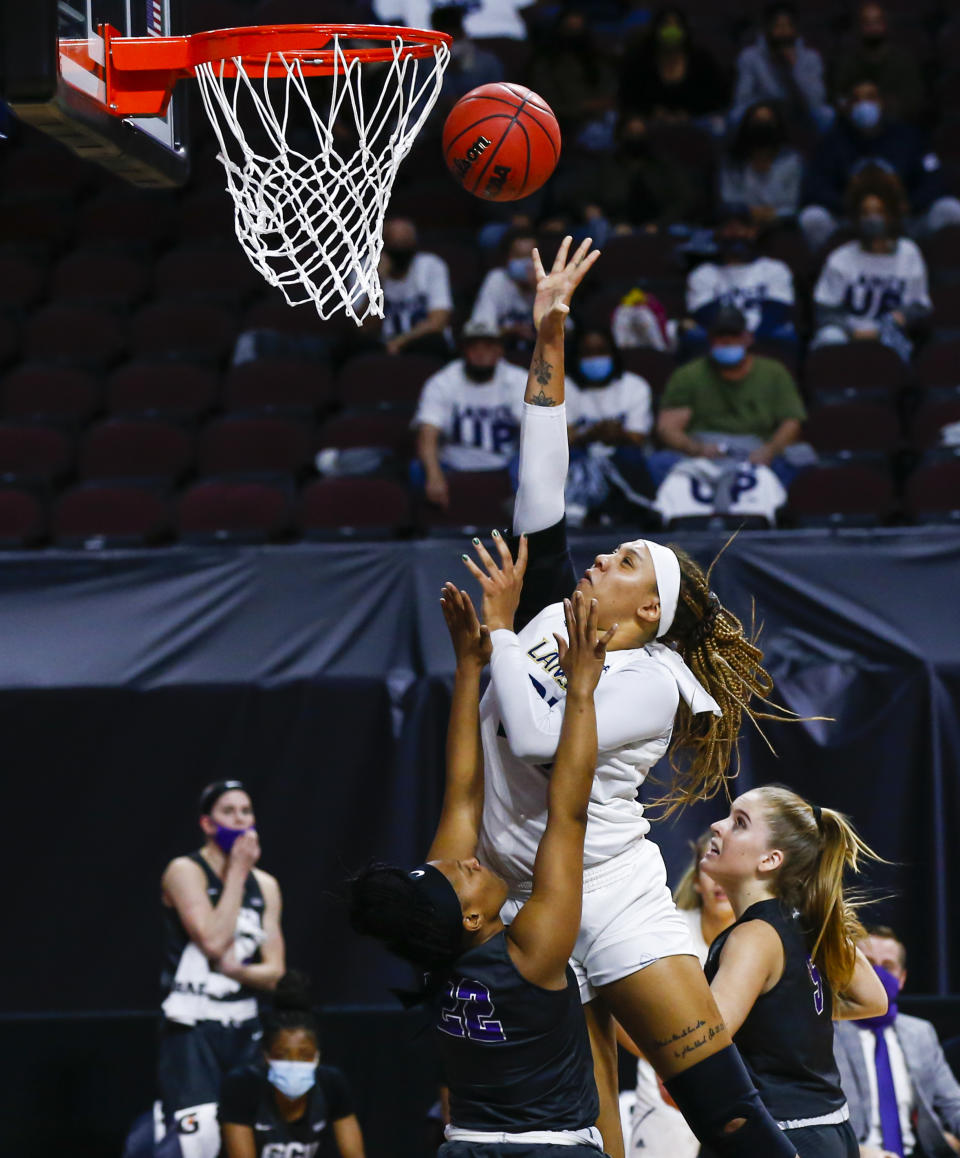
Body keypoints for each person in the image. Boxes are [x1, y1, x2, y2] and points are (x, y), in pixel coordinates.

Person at [459, 236, 801, 1158]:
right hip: (521, 903)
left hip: (608, 898)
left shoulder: (656, 681)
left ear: (649, 608)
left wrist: (493, 637)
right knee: (585, 1129)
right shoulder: (540, 617)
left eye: (621, 562)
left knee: (724, 1116)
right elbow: (543, 479)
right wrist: (550, 340)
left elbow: (538, 743)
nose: (599, 558)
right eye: (602, 554)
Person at [349, 578, 619, 1155]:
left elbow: (463, 795)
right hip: (548, 1148)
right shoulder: (532, 955)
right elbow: (567, 814)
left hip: (466, 1144)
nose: (469, 861)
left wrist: (470, 667)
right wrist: (582, 692)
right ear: (472, 918)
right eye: (465, 874)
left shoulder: (435, 947)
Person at [701, 785, 890, 1157]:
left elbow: (703, 1042)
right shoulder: (810, 924)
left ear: (770, 860)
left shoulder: (753, 936)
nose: (716, 825)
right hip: (831, 1131)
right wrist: (791, 1014)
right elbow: (875, 1000)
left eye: (739, 823)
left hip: (779, 1134)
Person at [158, 780, 285, 1158]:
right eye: (228, 812)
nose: (240, 819)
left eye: (246, 811)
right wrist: (237, 872)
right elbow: (212, 940)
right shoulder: (185, 870)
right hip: (192, 1024)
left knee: (248, 1131)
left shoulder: (266, 885)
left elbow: (275, 971)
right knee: (199, 1139)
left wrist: (236, 971)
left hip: (245, 1023)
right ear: (207, 823)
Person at [622, 831, 736, 1158]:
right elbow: (618, 1012)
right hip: (667, 1082)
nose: (716, 881)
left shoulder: (758, 936)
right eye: (708, 869)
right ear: (697, 881)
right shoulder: (671, 930)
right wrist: (664, 1060)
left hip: (739, 1087)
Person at [834, 926, 960, 1158]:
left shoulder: (920, 1032)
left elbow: (954, 1104)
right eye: (868, 963)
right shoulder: (825, 1031)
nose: (878, 973)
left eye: (888, 966)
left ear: (901, 979)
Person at [655, 305, 807, 490]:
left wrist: (770, 450)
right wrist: (696, 449)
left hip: (757, 448)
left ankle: (775, 515)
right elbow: (667, 427)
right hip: (702, 450)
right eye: (720, 336)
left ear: (748, 338)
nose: (727, 341)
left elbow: (791, 422)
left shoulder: (774, 372)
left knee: (802, 458)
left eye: (734, 335)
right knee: (659, 462)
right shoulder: (687, 375)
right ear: (710, 340)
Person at [219, 971, 365, 1158]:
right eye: (282, 1055)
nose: (293, 1064)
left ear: (317, 1056)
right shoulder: (242, 1086)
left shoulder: (331, 1083)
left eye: (304, 1055)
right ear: (266, 1056)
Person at [800, 79, 960, 250]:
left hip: (903, 217)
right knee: (812, 217)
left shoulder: (910, 137)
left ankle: (932, 269)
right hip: (852, 219)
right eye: (856, 99)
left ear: (882, 102)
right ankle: (831, 268)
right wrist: (846, 204)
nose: (864, 105)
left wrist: (908, 204)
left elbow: (935, 179)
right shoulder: (833, 142)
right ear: (847, 106)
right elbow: (815, 185)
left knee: (950, 209)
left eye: (870, 98)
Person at [811, 170, 931, 360]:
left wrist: (901, 318)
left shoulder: (909, 253)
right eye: (865, 213)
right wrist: (852, 330)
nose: (872, 219)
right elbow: (825, 310)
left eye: (879, 212)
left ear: (891, 215)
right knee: (828, 337)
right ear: (856, 218)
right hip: (849, 331)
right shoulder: (840, 257)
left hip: (891, 331)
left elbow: (921, 306)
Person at [413, 319, 528, 509]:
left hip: (506, 463)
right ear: (464, 350)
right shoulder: (442, 382)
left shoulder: (518, 380)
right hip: (454, 462)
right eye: (474, 346)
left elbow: (533, 433)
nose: (481, 353)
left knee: (533, 463)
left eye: (488, 346)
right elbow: (427, 433)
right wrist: (434, 475)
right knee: (417, 470)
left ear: (500, 350)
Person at [564, 326, 654, 526]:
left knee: (630, 455)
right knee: (573, 460)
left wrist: (617, 433)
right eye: (587, 353)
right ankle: (574, 515)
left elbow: (637, 437)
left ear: (613, 353)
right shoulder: (563, 387)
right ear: (576, 357)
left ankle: (630, 515)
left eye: (601, 351)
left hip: (622, 456)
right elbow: (563, 438)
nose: (594, 358)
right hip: (580, 455)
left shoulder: (634, 386)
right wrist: (591, 433)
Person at [683, 206, 797, 356]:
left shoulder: (774, 268)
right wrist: (732, 337)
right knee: (694, 337)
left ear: (753, 232)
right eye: (729, 228)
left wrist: (753, 337)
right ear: (718, 233)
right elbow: (704, 313)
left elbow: (778, 309)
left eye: (742, 228)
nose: (736, 233)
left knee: (784, 335)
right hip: (720, 333)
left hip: (764, 331)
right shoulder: (703, 273)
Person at [731, 1, 832, 133]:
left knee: (826, 114)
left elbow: (816, 100)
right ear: (767, 28)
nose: (783, 33)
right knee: (735, 116)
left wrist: (794, 68)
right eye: (778, 26)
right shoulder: (750, 57)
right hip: (764, 110)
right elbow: (742, 99)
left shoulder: (810, 58)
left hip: (799, 109)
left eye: (788, 26)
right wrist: (763, 108)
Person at [618, 6, 730, 122]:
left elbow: (717, 98)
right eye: (666, 25)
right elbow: (628, 99)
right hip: (649, 126)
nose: (671, 29)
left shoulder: (702, 61)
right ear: (655, 29)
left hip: (697, 125)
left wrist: (690, 114)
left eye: (676, 25)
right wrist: (651, 112)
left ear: (685, 30)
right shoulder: (640, 62)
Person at [527, 8, 618, 142]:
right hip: (560, 124)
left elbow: (609, 93)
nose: (574, 34)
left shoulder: (597, 62)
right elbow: (542, 102)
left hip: (599, 121)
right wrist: (580, 107)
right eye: (569, 28)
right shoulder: (545, 63)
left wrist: (599, 105)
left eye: (578, 29)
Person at [831, 2, 926, 126]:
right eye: (867, 23)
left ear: (885, 25)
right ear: (859, 27)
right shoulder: (848, 61)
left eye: (877, 22)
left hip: (895, 126)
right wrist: (856, 102)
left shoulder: (902, 60)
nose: (872, 28)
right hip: (854, 126)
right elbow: (838, 97)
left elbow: (913, 101)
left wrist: (882, 103)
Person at [719, 102, 805, 228]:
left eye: (767, 122)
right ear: (747, 125)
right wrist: (750, 212)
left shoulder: (792, 160)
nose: (762, 128)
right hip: (740, 222)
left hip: (782, 223)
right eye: (757, 122)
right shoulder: (733, 162)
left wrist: (773, 215)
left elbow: (793, 203)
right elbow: (728, 200)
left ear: (777, 126)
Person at [379, 218, 453, 357]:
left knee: (434, 342)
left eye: (405, 243)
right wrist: (377, 283)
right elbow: (364, 328)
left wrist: (400, 341)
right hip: (382, 344)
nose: (399, 250)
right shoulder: (364, 270)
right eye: (394, 244)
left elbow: (438, 321)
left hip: (421, 342)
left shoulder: (431, 265)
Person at [470, 230, 539, 356]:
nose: (525, 262)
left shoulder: (549, 279)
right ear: (507, 258)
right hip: (504, 350)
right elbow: (480, 328)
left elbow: (566, 330)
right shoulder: (496, 279)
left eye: (529, 256)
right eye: (519, 256)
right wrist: (511, 331)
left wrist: (538, 291)